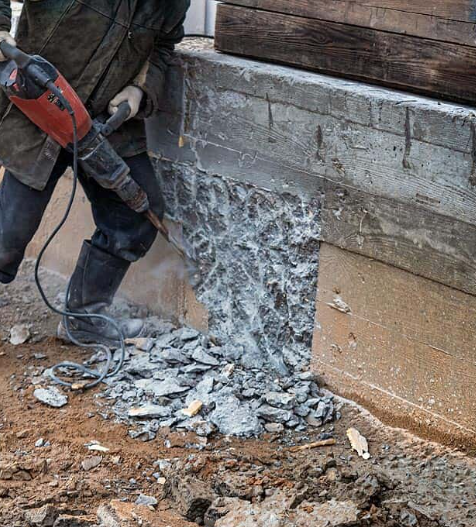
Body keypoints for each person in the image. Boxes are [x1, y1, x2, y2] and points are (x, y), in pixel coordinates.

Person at [0, 0, 190, 344]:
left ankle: (84, 317)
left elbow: (163, 46)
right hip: (39, 104)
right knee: (7, 240)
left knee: (135, 214)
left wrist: (139, 89)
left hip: (105, 121)